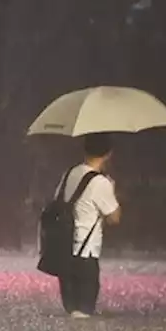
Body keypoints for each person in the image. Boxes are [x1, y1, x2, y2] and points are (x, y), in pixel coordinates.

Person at [54, 135, 122, 319]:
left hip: (64, 252)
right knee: (84, 315)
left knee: (71, 313)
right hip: (86, 255)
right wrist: (112, 191)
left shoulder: (69, 174)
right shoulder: (101, 183)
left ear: (84, 150)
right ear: (108, 154)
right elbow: (114, 218)